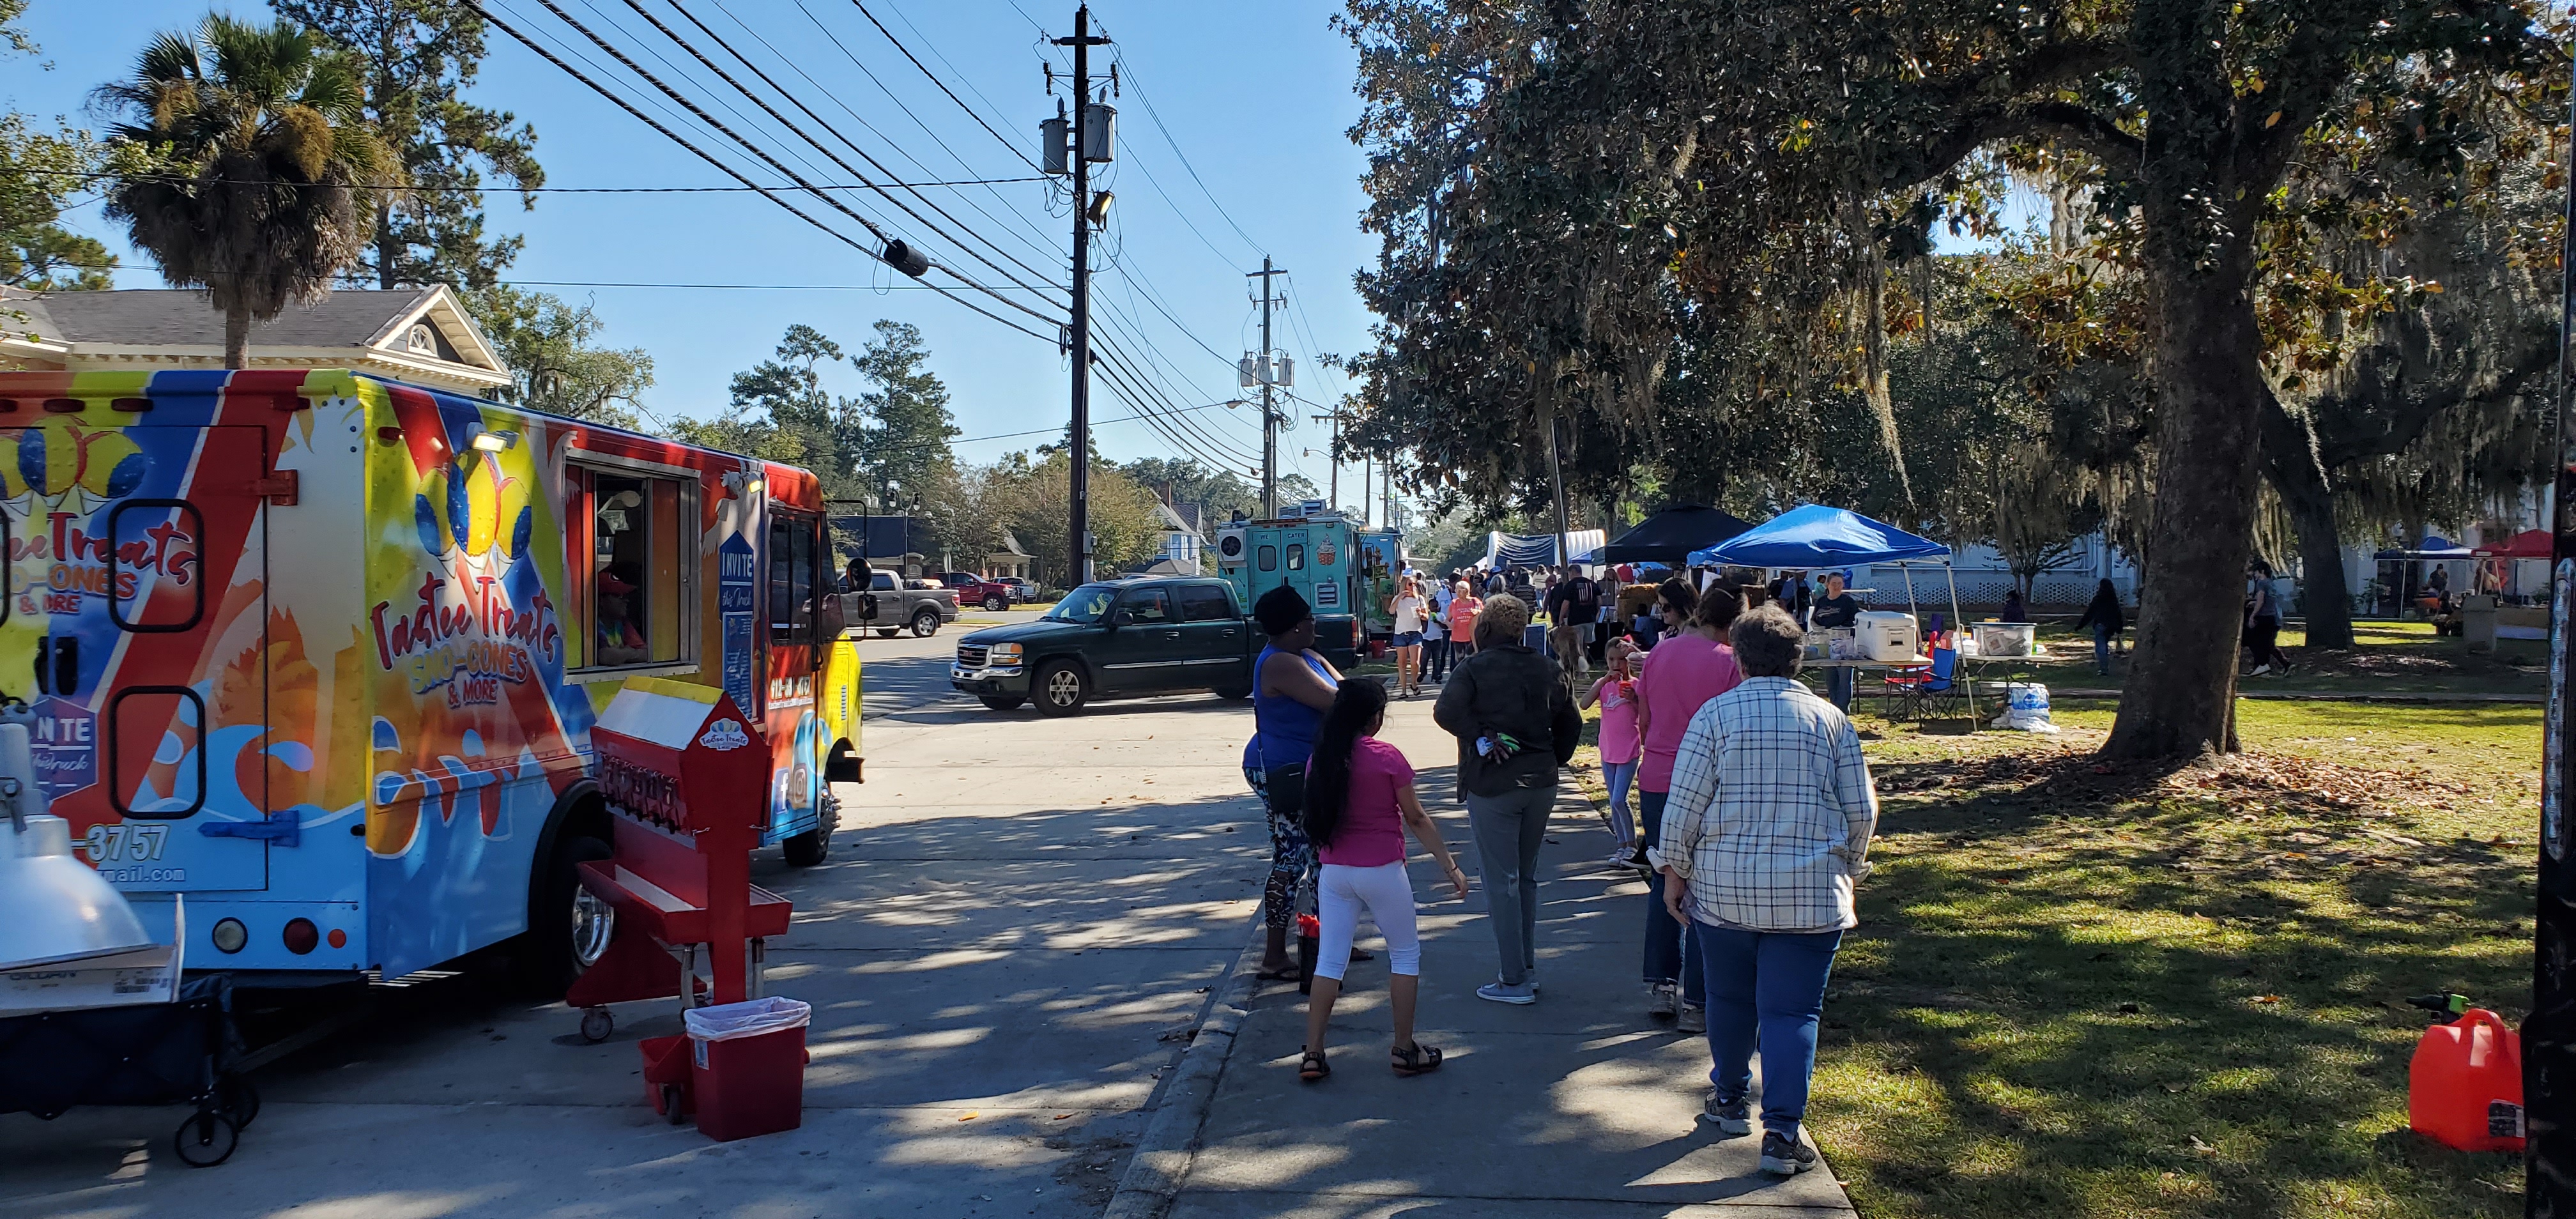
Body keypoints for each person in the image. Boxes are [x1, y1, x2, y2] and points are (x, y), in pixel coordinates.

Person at [1656, 602, 1878, 1177]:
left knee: (1729, 1000)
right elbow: (1861, 810)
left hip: (1726, 890)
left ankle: (1729, 1100)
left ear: (1738, 656)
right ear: (1798, 658)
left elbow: (1684, 809)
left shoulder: (1715, 717)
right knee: (1794, 1011)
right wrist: (1850, 866)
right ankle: (1781, 1132)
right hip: (1809, 891)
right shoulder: (1830, 720)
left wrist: (1674, 870)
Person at [1297, 678, 1470, 1081]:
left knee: (1330, 960)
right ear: (1375, 718)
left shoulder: (1320, 759)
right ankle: (1404, 1048)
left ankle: (1313, 1053)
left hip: (1335, 872)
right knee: (1405, 955)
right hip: (1383, 870)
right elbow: (1416, 818)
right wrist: (1449, 864)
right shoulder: (1387, 758)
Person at [1432, 594, 1581, 1005]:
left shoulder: (1474, 667)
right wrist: (1553, 759)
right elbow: (1572, 722)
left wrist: (1481, 733)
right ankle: (1526, 968)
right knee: (1526, 876)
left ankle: (1512, 979)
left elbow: (1445, 712)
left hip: (1494, 783)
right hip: (1542, 783)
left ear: (1483, 631)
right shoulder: (1547, 666)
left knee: (1502, 882)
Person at [1630, 578, 1743, 1032]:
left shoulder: (1659, 653)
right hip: (1708, 781)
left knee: (1663, 874)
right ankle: (1698, 997)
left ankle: (1661, 983)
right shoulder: (1727, 662)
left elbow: (1645, 716)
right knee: (1705, 885)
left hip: (1658, 775)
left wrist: (1652, 750)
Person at [1245, 586, 1344, 981]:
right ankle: (1274, 953)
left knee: (1324, 858)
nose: (1314, 624)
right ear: (1293, 627)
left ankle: (1328, 942)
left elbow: (1347, 691)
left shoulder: (1305, 656)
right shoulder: (1280, 664)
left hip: (1308, 767)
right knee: (1293, 857)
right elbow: (1338, 701)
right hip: (1283, 770)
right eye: (1308, 619)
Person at [1582, 638, 1644, 868]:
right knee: (1613, 800)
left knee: (1619, 799)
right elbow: (1585, 704)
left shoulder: (1636, 685)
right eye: (1611, 660)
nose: (1616, 664)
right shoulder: (1604, 684)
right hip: (1608, 750)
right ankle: (1622, 845)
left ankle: (1632, 846)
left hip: (1628, 749)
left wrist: (1634, 699)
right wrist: (1602, 681)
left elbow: (1646, 713)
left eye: (1622, 660)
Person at [1808, 571, 1861, 712]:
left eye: (1840, 584)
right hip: (1825, 643)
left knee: (1844, 679)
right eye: (1834, 584)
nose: (1837, 586)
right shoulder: (1821, 601)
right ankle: (1834, 709)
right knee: (1831, 679)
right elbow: (1813, 619)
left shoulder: (1848, 602)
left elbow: (1857, 621)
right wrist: (1819, 629)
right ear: (1827, 584)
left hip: (1844, 645)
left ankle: (1842, 711)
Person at [2072, 579, 2124, 676]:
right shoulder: (2113, 600)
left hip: (2100, 625)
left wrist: (2080, 626)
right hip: (2111, 627)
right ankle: (2105, 666)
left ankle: (2104, 668)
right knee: (2104, 645)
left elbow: (2090, 614)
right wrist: (2119, 628)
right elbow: (2118, 614)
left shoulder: (2098, 599)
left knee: (2101, 647)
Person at [1388, 576, 1428, 699]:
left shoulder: (1420, 599)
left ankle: (1414, 684)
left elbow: (1426, 617)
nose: (1413, 587)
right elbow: (1391, 611)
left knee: (1416, 662)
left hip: (1415, 633)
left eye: (1415, 584)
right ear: (1404, 585)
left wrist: (1421, 614)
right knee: (1402, 664)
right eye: (1410, 584)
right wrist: (1400, 597)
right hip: (1401, 633)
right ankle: (1403, 690)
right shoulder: (1399, 599)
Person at [2244, 567, 2289, 675]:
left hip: (2266, 617)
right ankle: (2262, 667)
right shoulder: (2271, 584)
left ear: (2262, 571)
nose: (2253, 575)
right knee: (2266, 644)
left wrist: (2252, 615)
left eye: (2255, 571)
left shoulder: (2262, 583)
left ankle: (2264, 667)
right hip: (2274, 617)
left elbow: (2261, 601)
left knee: (2259, 642)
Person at [1445, 581, 1483, 663]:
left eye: (1460, 591)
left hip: (1471, 638)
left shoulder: (1475, 601)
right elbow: (1447, 619)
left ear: (1466, 591)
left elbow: (1484, 614)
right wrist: (1449, 624)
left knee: (1472, 661)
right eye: (1456, 591)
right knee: (1459, 662)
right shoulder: (1454, 603)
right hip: (1458, 638)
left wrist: (1478, 611)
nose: (1457, 593)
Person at [1422, 583, 1452, 685]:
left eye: (1436, 607)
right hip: (1426, 639)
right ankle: (1423, 672)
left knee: (1437, 659)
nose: (1435, 609)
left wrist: (1438, 622)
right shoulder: (1427, 615)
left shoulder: (1441, 615)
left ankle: (1437, 676)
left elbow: (1445, 627)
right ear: (1429, 607)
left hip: (1438, 640)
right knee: (1424, 658)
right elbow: (1423, 626)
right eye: (1432, 607)